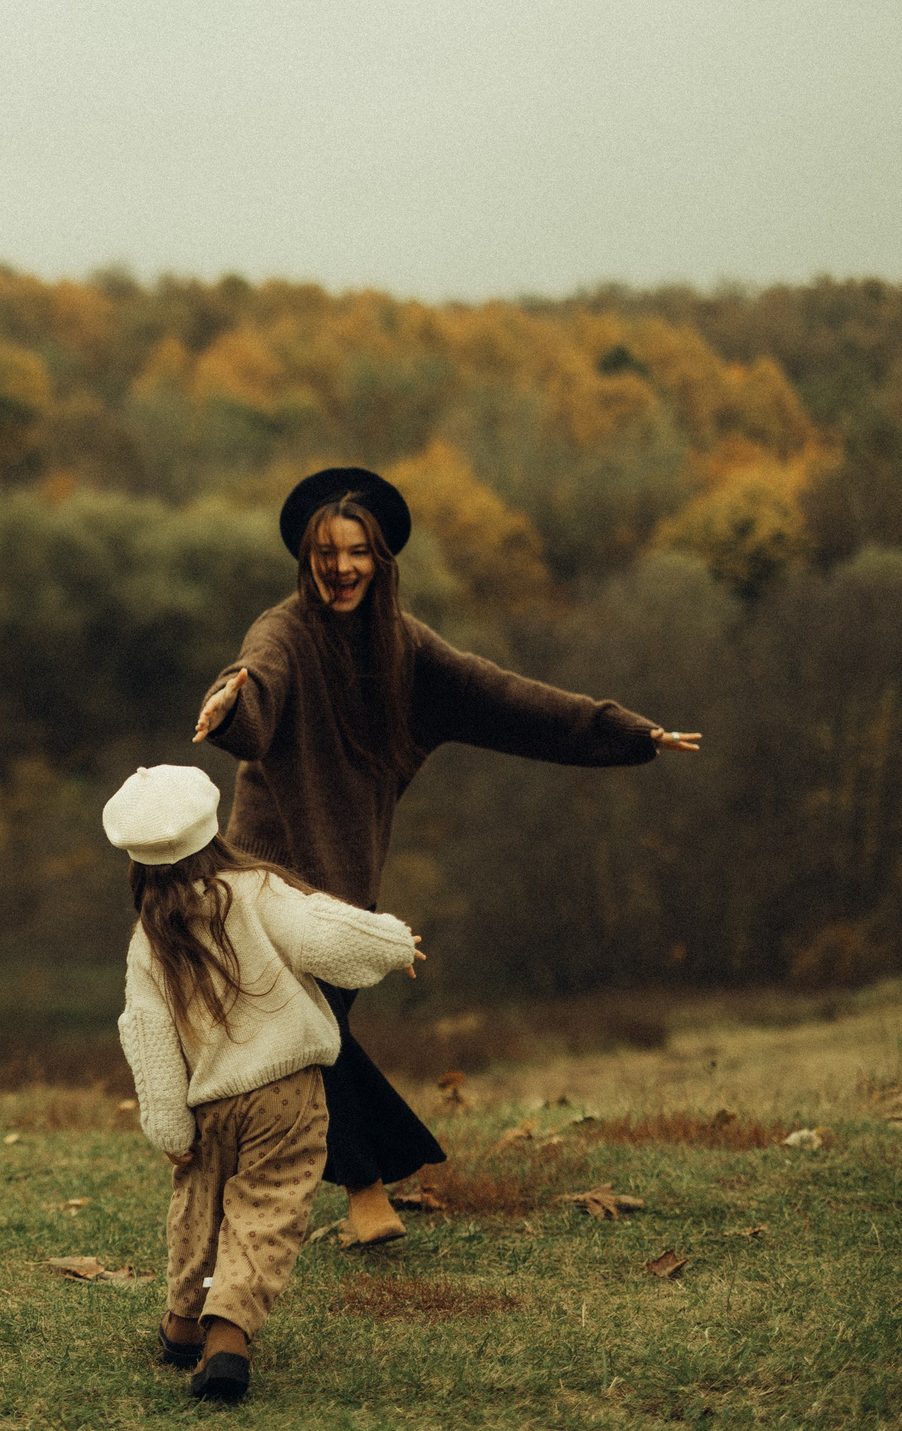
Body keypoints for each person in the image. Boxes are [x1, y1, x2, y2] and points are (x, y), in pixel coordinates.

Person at [193, 465, 699, 1245]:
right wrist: (231, 702)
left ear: (381, 557)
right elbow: (256, 683)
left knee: (308, 1043)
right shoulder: (282, 630)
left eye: (356, 550)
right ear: (306, 559)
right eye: (326, 552)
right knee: (305, 1036)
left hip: (346, 885)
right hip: (265, 880)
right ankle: (362, 1197)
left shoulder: (405, 647)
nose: (341, 567)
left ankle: (279, 1193)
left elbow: (506, 700)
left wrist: (627, 733)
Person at [110, 763, 423, 1405]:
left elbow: (148, 1037)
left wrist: (169, 1127)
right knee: (266, 1212)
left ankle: (182, 1322)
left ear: (137, 860)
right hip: (288, 1092)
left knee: (200, 1213)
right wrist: (394, 943)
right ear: (211, 829)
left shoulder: (150, 938)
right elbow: (322, 934)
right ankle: (226, 1339)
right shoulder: (256, 890)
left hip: (209, 1104)